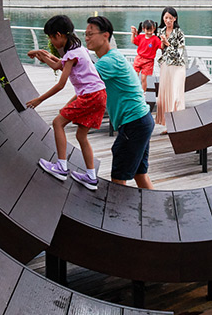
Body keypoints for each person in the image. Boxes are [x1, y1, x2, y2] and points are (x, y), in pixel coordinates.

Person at [26, 15, 106, 190]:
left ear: (59, 35)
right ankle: (91, 177)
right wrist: (42, 54)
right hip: (100, 95)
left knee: (57, 123)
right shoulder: (79, 50)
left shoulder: (71, 54)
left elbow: (61, 84)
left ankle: (61, 167)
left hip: (89, 96)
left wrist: (39, 99)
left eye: (51, 37)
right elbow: (59, 65)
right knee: (81, 136)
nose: (51, 41)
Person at [85, 16, 154, 189]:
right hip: (142, 120)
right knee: (140, 174)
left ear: (105, 35)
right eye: (85, 34)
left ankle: (118, 215)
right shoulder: (112, 57)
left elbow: (83, 81)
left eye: (91, 34)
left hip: (134, 123)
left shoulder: (107, 62)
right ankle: (159, 214)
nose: (86, 38)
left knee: (118, 179)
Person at [154, 6, 185, 128]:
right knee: (165, 95)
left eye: (170, 18)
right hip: (165, 65)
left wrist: (168, 44)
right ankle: (168, 125)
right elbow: (159, 48)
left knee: (176, 95)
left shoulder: (179, 33)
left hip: (177, 66)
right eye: (166, 18)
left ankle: (178, 123)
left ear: (175, 19)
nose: (168, 20)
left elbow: (179, 53)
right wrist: (162, 44)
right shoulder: (160, 32)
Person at [130, 19, 162, 91]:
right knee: (134, 75)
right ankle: (133, 90)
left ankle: (143, 93)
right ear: (143, 29)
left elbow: (161, 46)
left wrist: (163, 39)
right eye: (147, 30)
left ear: (154, 29)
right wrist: (133, 33)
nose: (149, 32)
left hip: (148, 61)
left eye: (151, 30)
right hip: (139, 58)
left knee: (143, 78)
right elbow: (133, 41)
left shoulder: (155, 39)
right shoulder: (141, 37)